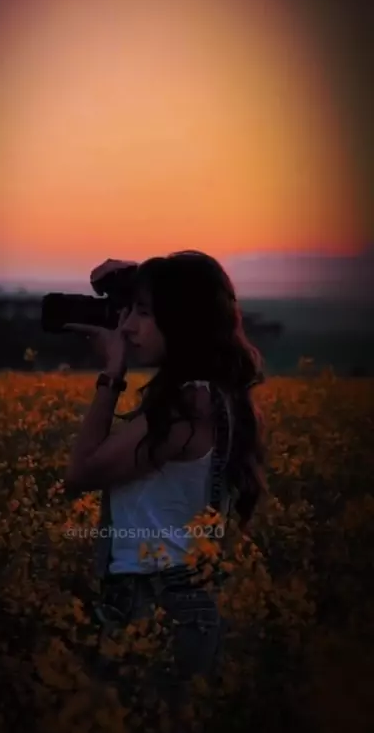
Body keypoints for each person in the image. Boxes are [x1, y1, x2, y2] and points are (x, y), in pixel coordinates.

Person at [63, 251, 267, 726]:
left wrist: (111, 375)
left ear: (182, 321)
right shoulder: (213, 394)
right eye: (129, 311)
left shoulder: (186, 406)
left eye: (144, 313)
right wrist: (133, 281)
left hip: (155, 603)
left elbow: (81, 473)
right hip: (178, 601)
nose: (128, 327)